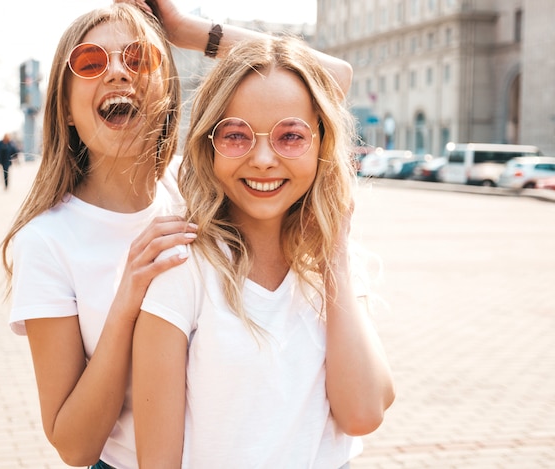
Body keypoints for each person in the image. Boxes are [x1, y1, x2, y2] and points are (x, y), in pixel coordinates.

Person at [0, 2, 354, 468]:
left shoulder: (200, 189)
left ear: (164, 90)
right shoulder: (45, 242)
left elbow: (331, 77)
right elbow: (74, 445)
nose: (118, 73)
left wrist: (187, 31)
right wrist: (128, 301)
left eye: (138, 58)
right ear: (64, 108)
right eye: (90, 62)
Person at [133, 36, 395, 468]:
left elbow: (363, 412)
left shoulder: (332, 265)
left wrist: (334, 260)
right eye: (235, 135)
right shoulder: (183, 266)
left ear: (322, 144)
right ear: (207, 144)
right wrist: (189, 32)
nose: (263, 159)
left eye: (290, 136)